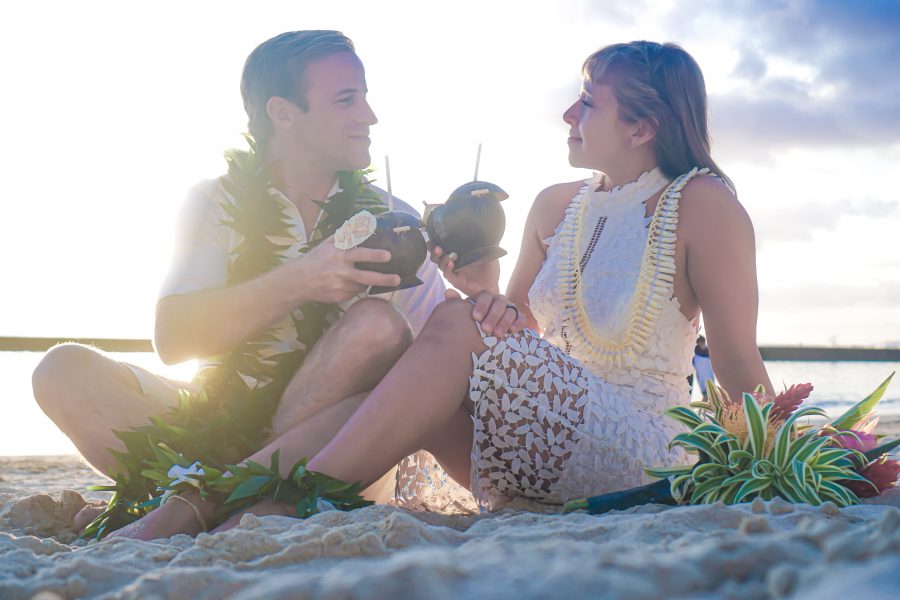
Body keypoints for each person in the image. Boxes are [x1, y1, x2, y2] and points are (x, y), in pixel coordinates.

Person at [108, 39, 776, 538]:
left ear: (641, 126)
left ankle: (280, 505)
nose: (569, 112)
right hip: (543, 445)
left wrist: (791, 465)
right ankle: (205, 499)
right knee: (392, 393)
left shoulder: (705, 206)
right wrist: (479, 290)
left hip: (639, 450)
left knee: (449, 336)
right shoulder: (554, 205)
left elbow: (738, 362)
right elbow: (520, 332)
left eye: (590, 101)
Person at [30, 30, 454, 536]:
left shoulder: (396, 219)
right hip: (216, 424)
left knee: (377, 326)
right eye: (347, 98)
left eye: (364, 96)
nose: (369, 115)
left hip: (330, 449)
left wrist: (481, 293)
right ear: (283, 112)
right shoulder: (216, 202)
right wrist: (303, 279)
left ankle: (195, 501)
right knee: (61, 369)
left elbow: (424, 380)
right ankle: (206, 492)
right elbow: (174, 339)